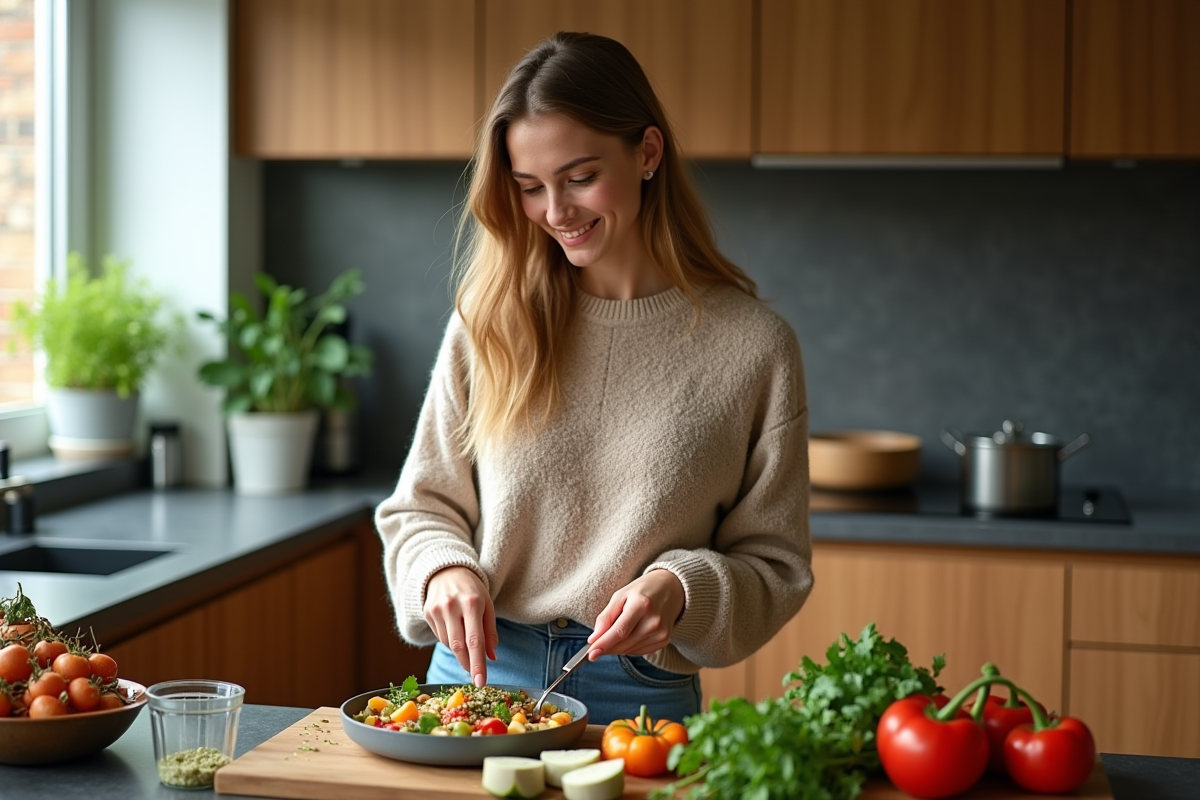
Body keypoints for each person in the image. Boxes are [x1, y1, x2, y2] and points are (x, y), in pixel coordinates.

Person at [375, 31, 813, 725]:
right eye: (529, 187)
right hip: (477, 672)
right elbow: (419, 509)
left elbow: (775, 564)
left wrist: (681, 586)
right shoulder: (490, 322)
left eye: (579, 178)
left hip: (638, 689)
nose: (556, 212)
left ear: (646, 152)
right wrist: (443, 569)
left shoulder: (754, 348)